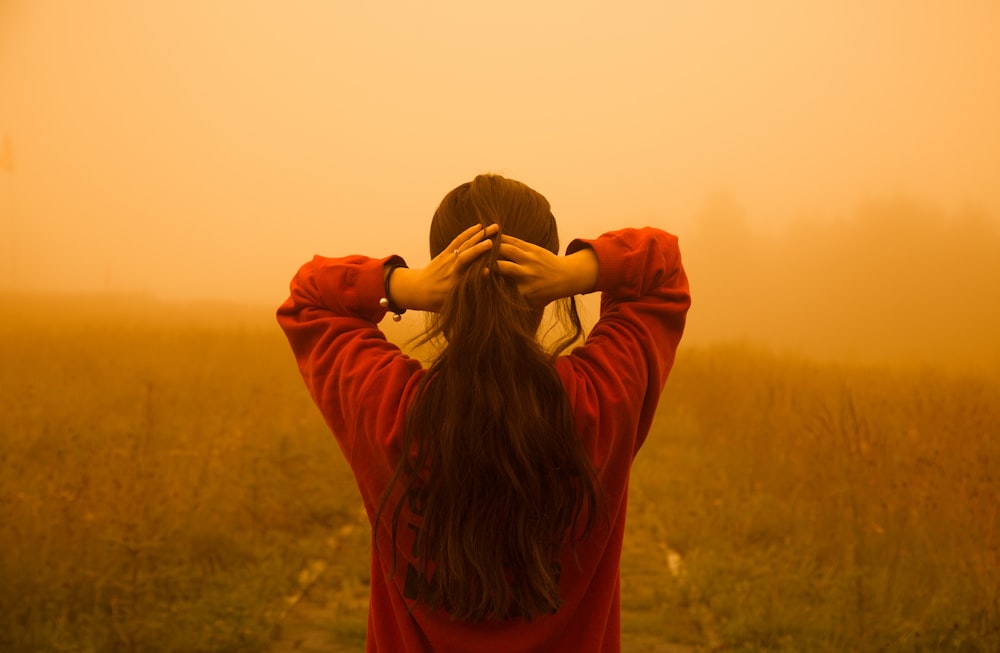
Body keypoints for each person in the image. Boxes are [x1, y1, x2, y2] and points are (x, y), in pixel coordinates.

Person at [276, 174, 690, 652]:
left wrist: (402, 287)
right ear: (545, 284)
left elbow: (309, 298)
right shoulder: (600, 401)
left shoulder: (387, 408)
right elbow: (662, 267)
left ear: (443, 284)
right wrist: (577, 274)